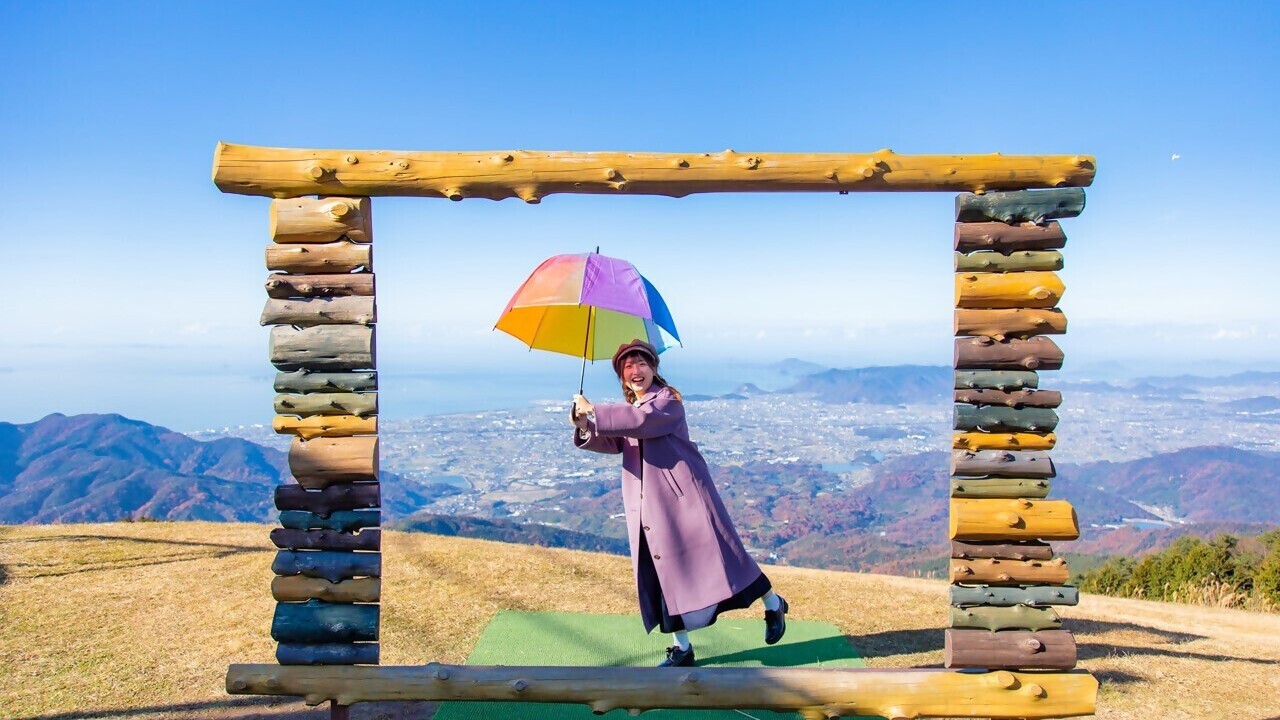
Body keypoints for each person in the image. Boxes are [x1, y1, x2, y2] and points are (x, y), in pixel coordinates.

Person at [571, 338, 787, 668]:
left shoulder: (667, 401)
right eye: (628, 367)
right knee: (662, 575)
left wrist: (594, 411)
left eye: (641, 363)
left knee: (728, 559)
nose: (635, 370)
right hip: (649, 506)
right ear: (623, 378)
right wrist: (585, 425)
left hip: (687, 501)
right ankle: (682, 648)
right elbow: (616, 440)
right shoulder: (633, 410)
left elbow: (641, 423)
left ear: (654, 368)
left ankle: (773, 604)